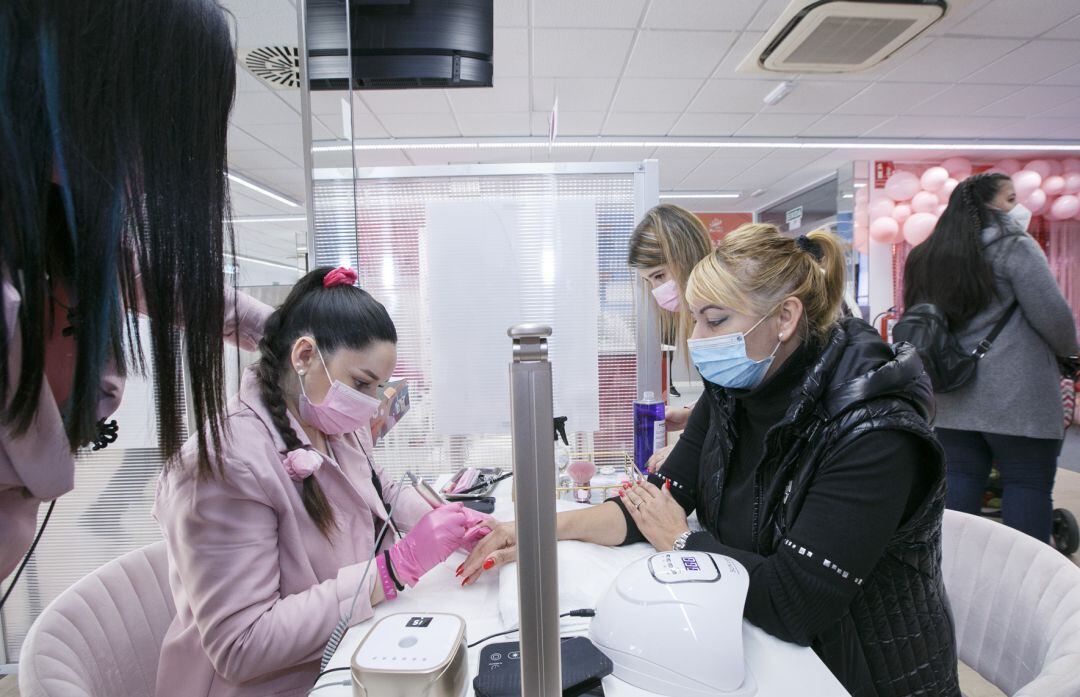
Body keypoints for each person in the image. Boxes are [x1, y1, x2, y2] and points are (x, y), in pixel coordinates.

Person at [462, 225, 960, 697]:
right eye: (694, 318)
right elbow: (655, 505)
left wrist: (682, 541)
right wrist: (538, 527)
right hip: (762, 647)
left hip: (856, 675)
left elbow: (794, 604)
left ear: (784, 319)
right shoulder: (734, 391)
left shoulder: (874, 433)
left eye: (715, 320)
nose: (697, 339)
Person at [0, 0, 274, 581]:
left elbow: (170, 286)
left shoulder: (58, 222)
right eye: (158, 118)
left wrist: (277, 329)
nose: (161, 160)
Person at [154, 267, 491, 697]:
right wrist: (392, 569)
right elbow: (241, 646)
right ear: (305, 356)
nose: (372, 405)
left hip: (348, 650)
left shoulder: (326, 415)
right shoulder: (225, 464)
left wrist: (442, 518)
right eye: (361, 383)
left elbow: (378, 486)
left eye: (379, 388)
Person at [903, 172, 1079, 542]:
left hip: (949, 390)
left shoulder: (925, 254)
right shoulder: (1014, 247)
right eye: (1011, 199)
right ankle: (1025, 584)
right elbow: (1054, 317)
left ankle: (955, 574)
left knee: (960, 483)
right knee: (1027, 484)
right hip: (1017, 394)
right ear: (989, 205)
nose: (1018, 207)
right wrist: (1070, 353)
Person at [627, 204, 713, 471]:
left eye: (659, 275)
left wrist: (692, 442)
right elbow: (727, 397)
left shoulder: (729, 319)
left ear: (686, 258)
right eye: (649, 282)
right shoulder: (702, 317)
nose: (656, 290)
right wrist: (696, 416)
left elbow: (754, 410)